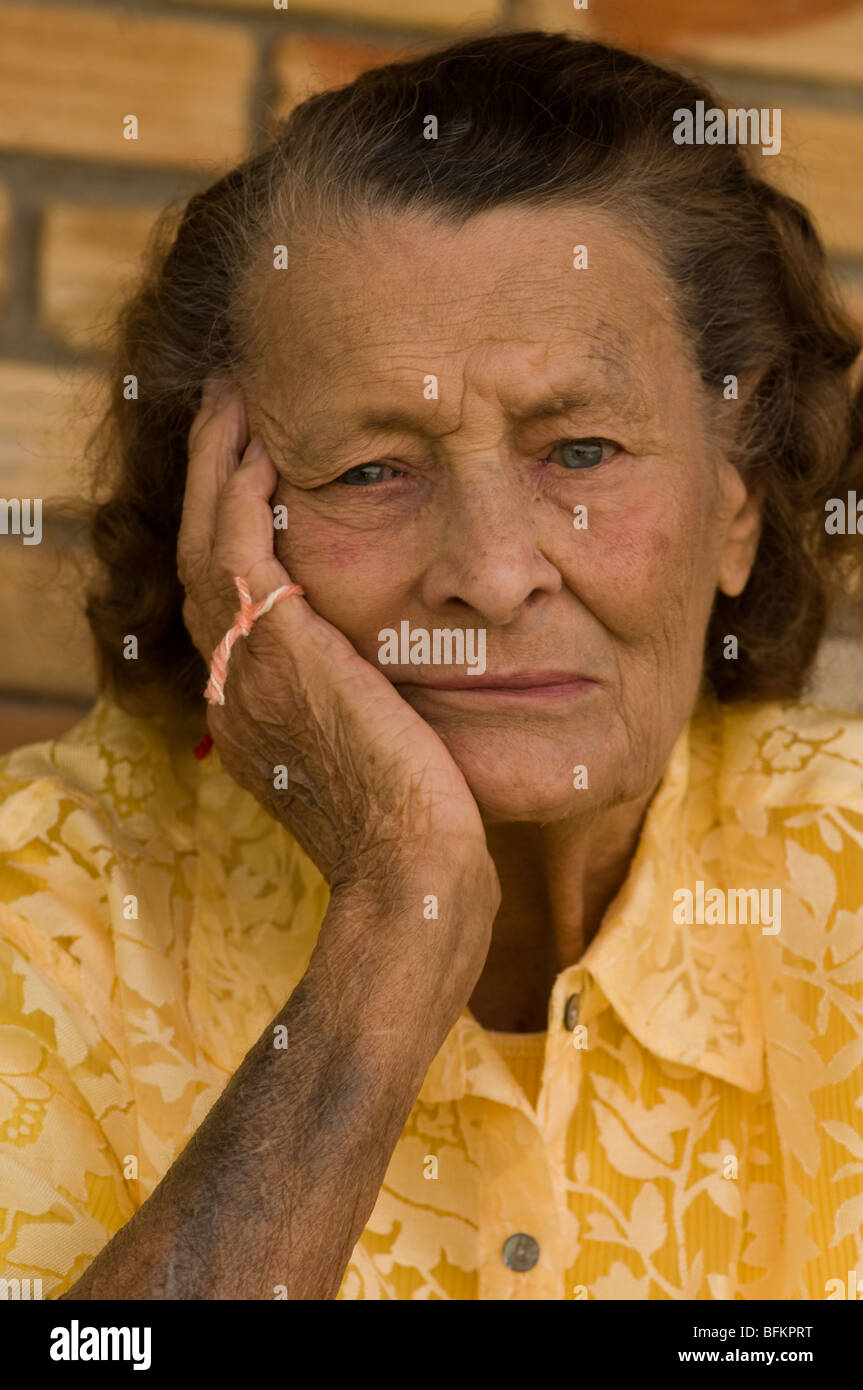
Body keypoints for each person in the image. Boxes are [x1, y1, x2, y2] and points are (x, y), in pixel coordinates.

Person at [1, 30, 862, 1302]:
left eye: (579, 452)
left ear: (736, 506)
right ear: (221, 525)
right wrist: (397, 920)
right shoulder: (45, 918)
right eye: (369, 470)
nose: (493, 571)